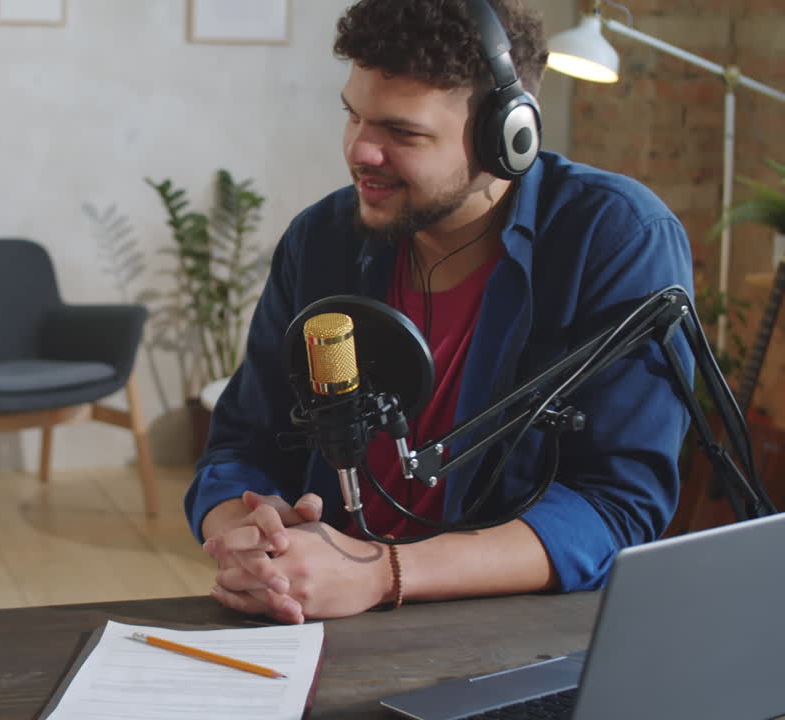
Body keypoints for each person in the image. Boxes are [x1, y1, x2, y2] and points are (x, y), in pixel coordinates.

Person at [186, 0, 694, 624]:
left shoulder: (615, 238)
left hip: (512, 624)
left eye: (401, 133)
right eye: (354, 116)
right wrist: (248, 533)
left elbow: (619, 505)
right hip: (319, 615)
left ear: (509, 137)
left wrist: (382, 573)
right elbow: (241, 442)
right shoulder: (321, 238)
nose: (360, 151)